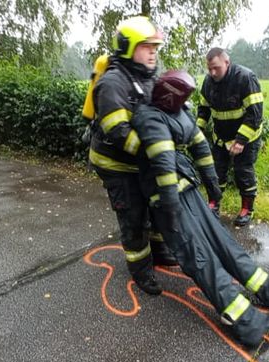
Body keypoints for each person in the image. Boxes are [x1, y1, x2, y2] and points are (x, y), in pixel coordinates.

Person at [132, 70, 269, 347]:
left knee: (222, 242)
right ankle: (247, 323)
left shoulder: (177, 112)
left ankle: (268, 289)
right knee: (200, 257)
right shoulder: (150, 117)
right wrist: (171, 208)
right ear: (171, 96)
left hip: (187, 190)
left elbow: (200, 146)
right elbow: (163, 163)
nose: (186, 102)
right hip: (167, 198)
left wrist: (213, 185)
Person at [88, 16, 176, 296]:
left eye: (155, 47)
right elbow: (118, 132)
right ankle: (141, 270)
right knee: (134, 215)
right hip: (116, 165)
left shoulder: (145, 78)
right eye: (147, 46)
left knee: (155, 207)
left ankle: (159, 252)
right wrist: (155, 151)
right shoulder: (114, 83)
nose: (153, 51)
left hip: (140, 163)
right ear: (128, 48)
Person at [196, 48, 264, 227]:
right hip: (221, 136)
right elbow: (203, 109)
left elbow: (255, 114)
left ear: (227, 63)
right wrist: (198, 131)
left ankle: (246, 209)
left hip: (246, 137)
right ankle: (214, 204)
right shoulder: (208, 82)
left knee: (243, 172)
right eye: (209, 68)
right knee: (216, 172)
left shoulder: (245, 78)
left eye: (216, 68)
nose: (212, 73)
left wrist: (241, 140)